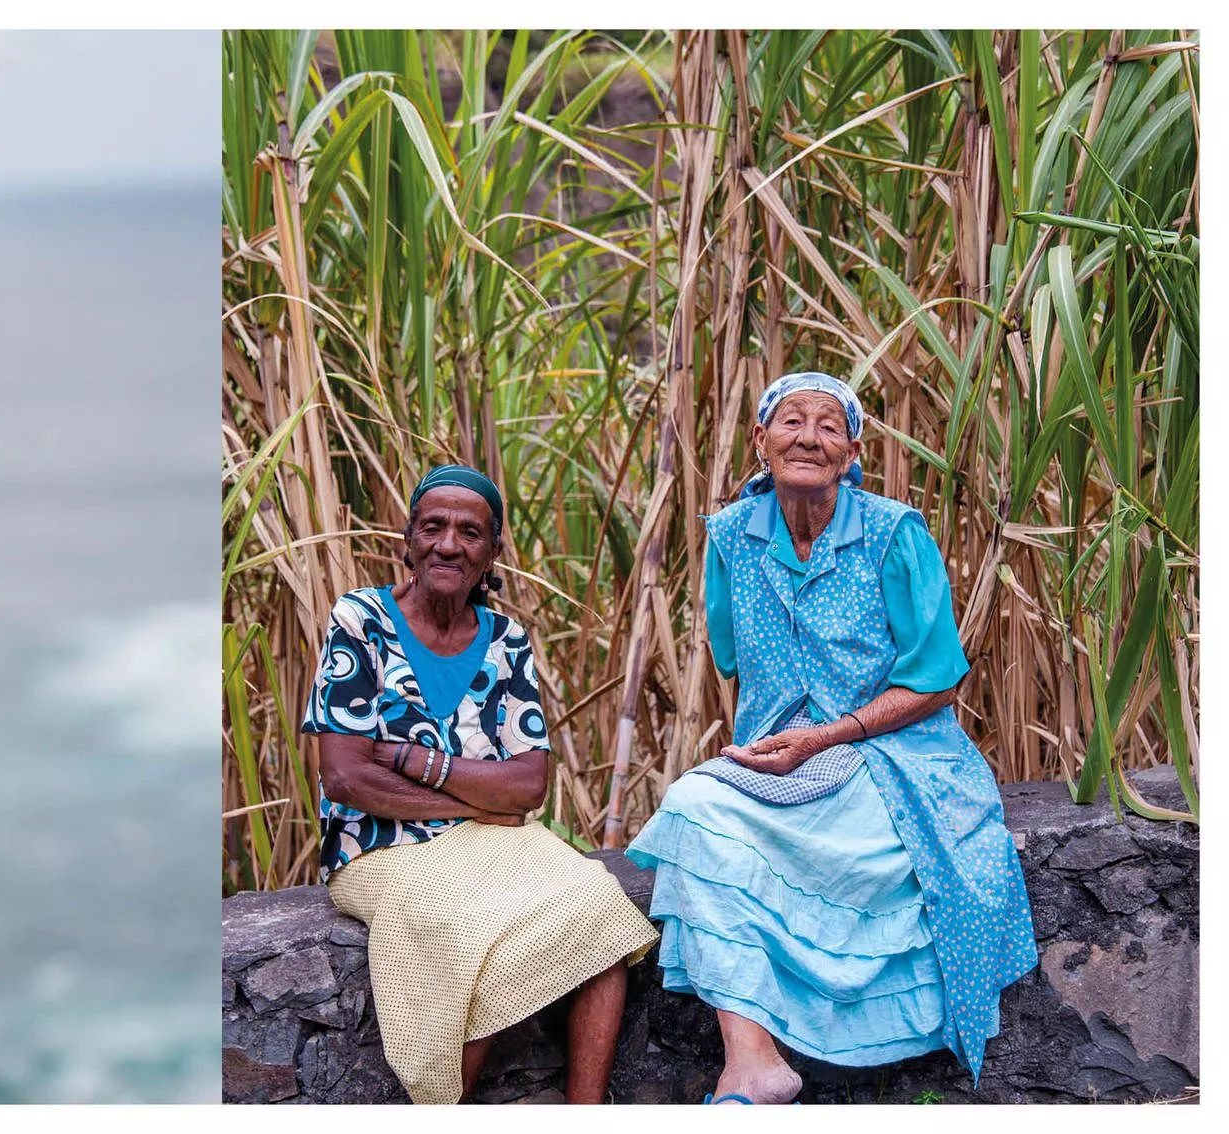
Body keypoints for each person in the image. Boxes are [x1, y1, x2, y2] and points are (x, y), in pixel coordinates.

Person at [625, 372, 1037, 1104]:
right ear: (760, 442)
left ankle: (762, 1063)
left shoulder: (893, 535)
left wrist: (831, 736)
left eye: (828, 425)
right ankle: (752, 1058)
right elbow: (732, 659)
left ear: (852, 453)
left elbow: (938, 679)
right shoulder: (729, 540)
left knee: (704, 816)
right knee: (691, 810)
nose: (808, 437)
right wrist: (792, 745)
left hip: (896, 759)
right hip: (789, 759)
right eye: (790, 422)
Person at [301, 465, 658, 1104]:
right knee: (465, 929)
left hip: (495, 838)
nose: (448, 543)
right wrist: (471, 799)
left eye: (470, 532)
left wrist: (417, 760)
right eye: (432, 526)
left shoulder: (506, 640)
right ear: (407, 540)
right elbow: (345, 774)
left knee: (601, 909)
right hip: (379, 850)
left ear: (492, 552)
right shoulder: (360, 620)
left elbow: (527, 785)